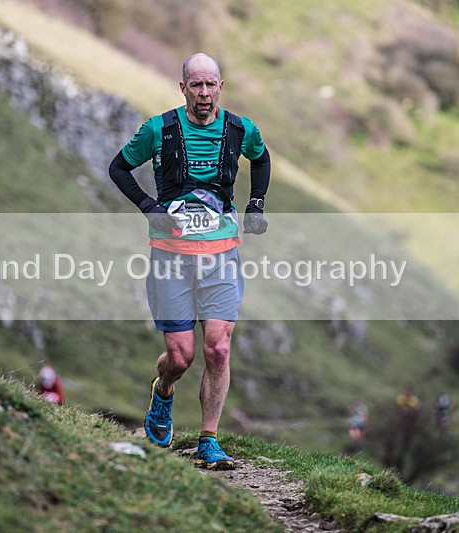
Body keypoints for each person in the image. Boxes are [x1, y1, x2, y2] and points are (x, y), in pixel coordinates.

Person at [108, 52, 271, 470]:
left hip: (221, 256)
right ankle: (162, 393)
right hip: (171, 259)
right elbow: (119, 168)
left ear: (220, 86)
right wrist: (149, 206)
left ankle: (208, 439)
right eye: (195, 85)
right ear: (183, 88)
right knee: (181, 358)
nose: (203, 93)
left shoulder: (239, 129)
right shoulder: (158, 128)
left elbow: (262, 157)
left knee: (217, 348)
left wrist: (255, 205)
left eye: (210, 84)